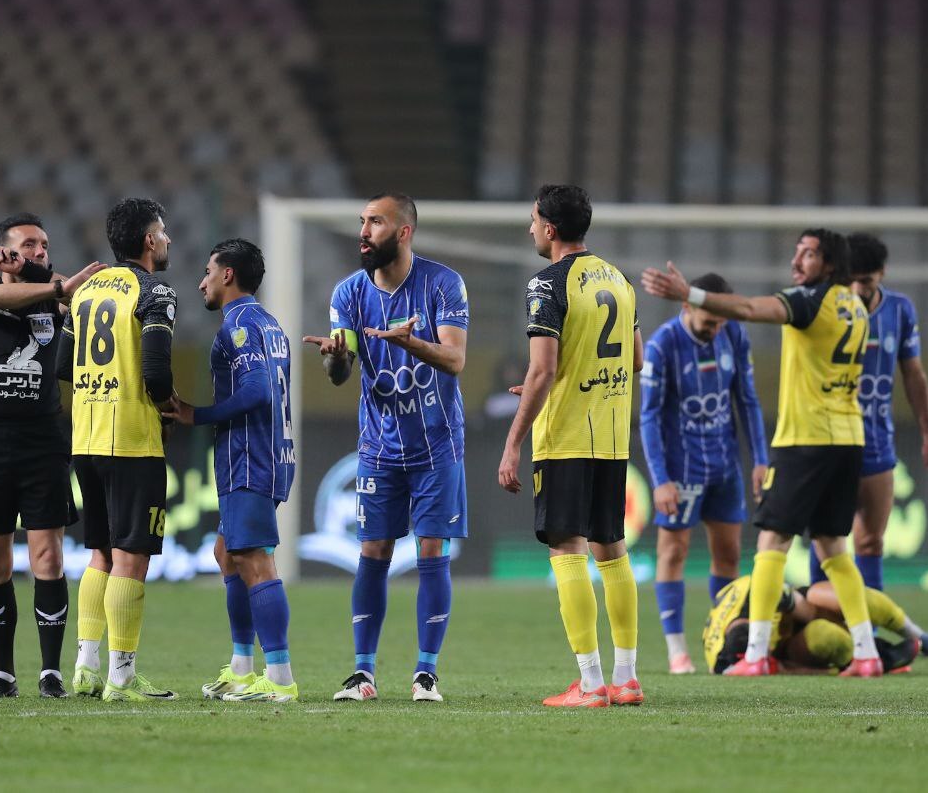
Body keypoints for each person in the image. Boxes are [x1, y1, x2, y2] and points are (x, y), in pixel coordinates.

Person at [642, 229, 884, 677]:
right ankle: (867, 652)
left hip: (807, 440)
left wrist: (689, 293)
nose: (797, 260)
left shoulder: (809, 301)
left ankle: (755, 654)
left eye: (808, 254)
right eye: (797, 251)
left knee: (771, 545)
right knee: (834, 549)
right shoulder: (856, 305)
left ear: (830, 265)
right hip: (848, 438)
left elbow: (751, 309)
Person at [303, 192, 469, 703]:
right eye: (362, 221)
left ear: (403, 232)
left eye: (375, 221)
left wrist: (410, 343)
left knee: (431, 550)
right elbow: (339, 372)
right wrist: (336, 357)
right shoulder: (349, 293)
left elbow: (456, 359)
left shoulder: (443, 284)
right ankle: (362, 673)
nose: (363, 231)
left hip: (437, 443)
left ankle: (426, 674)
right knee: (372, 550)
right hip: (379, 446)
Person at [497, 184, 645, 708]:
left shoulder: (547, 282)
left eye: (533, 220)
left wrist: (513, 443)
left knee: (566, 550)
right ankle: (627, 679)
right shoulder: (619, 280)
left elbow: (543, 369)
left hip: (566, 437)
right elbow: (636, 360)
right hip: (612, 435)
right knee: (612, 550)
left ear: (550, 227)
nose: (530, 229)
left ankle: (589, 683)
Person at [0, 214, 105, 698]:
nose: (40, 250)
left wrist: (38, 275)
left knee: (48, 555)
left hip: (42, 441)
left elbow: (73, 296)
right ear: (1, 251)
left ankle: (50, 673)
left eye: (44, 244)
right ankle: (2, 675)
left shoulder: (57, 300)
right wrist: (44, 281)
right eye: (29, 244)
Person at [166, 238, 298, 702]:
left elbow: (258, 391)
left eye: (208, 271)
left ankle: (279, 677)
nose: (201, 281)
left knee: (254, 560)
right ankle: (242, 668)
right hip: (268, 453)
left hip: (249, 458)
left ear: (227, 275)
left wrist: (195, 414)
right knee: (227, 554)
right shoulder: (269, 323)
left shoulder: (239, 326)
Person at [59, 197, 179, 700]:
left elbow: (63, 365)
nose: (167, 240)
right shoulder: (155, 291)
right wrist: (169, 407)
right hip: (131, 439)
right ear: (149, 240)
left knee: (100, 553)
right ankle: (122, 676)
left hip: (85, 437)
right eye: (163, 232)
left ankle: (86, 667)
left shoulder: (86, 291)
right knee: (132, 557)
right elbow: (155, 373)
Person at [640, 272, 768, 675]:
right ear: (686, 306)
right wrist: (660, 479)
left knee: (728, 553)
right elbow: (649, 417)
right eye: (709, 321)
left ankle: (722, 639)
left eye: (721, 321)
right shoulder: (662, 346)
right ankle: (677, 649)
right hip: (682, 470)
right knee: (673, 552)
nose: (716, 328)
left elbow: (748, 400)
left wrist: (760, 458)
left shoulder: (734, 335)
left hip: (725, 467)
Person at [807, 233, 928, 590]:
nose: (858, 289)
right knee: (826, 538)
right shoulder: (825, 307)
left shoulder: (899, 310)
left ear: (882, 274)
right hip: (830, 438)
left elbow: (914, 374)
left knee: (870, 541)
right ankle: (821, 619)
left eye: (866, 281)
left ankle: (870, 621)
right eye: (851, 280)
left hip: (875, 440)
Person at [702, 576, 928, 675]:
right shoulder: (726, 655)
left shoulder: (769, 594)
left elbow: (810, 611)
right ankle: (876, 657)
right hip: (786, 651)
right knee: (824, 636)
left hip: (790, 612)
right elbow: (779, 669)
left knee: (845, 598)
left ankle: (918, 635)